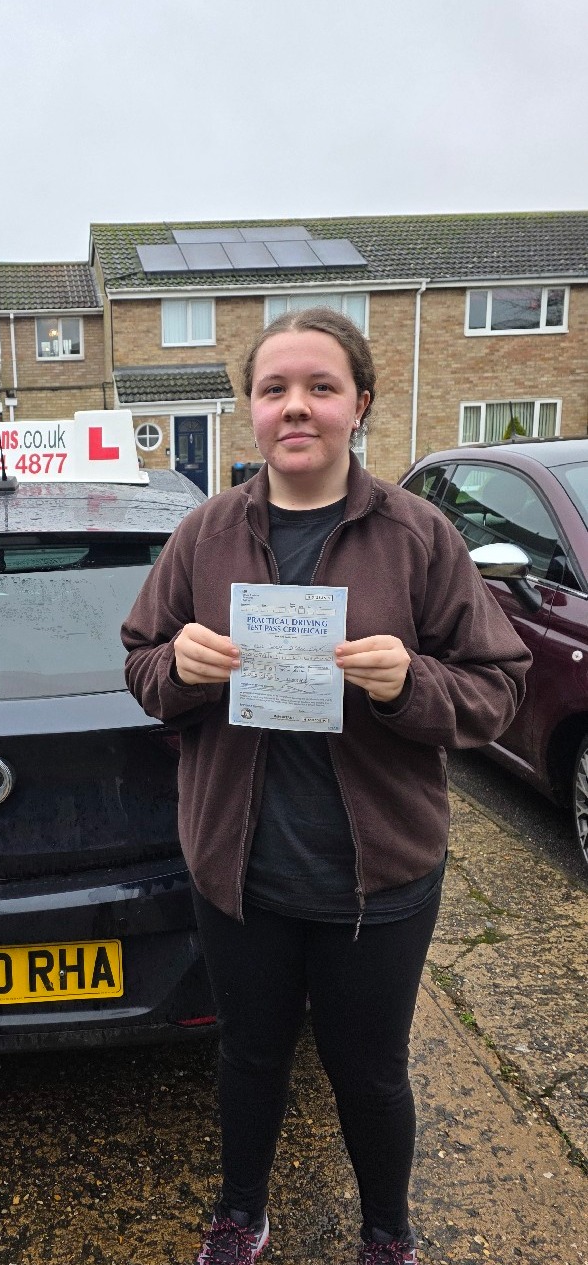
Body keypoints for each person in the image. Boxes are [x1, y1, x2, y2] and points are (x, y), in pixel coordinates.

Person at [121, 308, 531, 1265]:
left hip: (377, 880)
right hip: (239, 871)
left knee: (370, 1071)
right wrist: (178, 666)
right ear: (249, 411)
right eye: (274, 390)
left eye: (319, 387)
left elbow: (500, 689)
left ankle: (387, 1232)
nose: (294, 407)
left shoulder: (418, 538)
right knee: (250, 1058)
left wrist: (410, 684)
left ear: (362, 403)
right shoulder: (204, 534)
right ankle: (241, 1214)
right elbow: (141, 667)